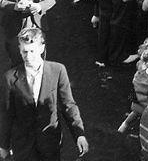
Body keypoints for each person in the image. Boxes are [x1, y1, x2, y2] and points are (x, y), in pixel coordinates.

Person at [0, 28, 89, 161]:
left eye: (32, 51)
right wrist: (4, 145)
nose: (28, 56)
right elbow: (6, 114)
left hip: (50, 143)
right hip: (23, 146)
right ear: (19, 49)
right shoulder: (9, 78)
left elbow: (68, 105)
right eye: (24, 51)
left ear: (42, 48)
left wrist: (79, 134)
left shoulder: (58, 71)